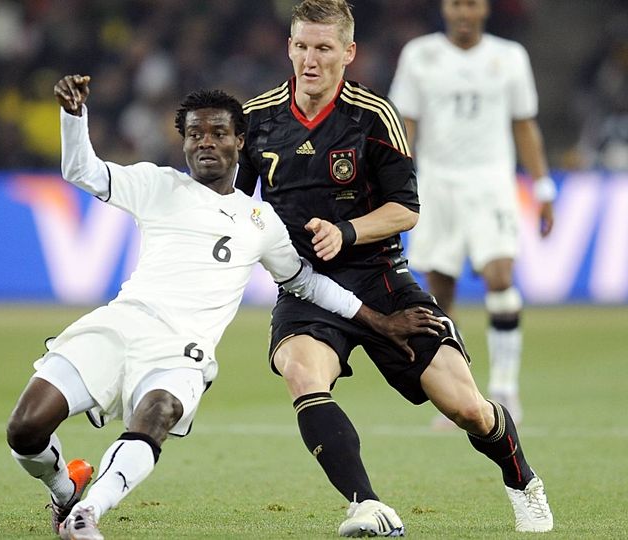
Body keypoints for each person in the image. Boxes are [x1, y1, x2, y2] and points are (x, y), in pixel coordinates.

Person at [6, 74, 445, 540]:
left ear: (240, 141)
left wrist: (378, 320)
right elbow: (82, 172)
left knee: (157, 412)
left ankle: (87, 513)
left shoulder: (259, 221)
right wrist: (74, 116)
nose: (206, 142)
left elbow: (306, 283)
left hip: (181, 351)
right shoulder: (156, 185)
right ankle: (65, 489)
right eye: (195, 133)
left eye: (218, 133)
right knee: (25, 429)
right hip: (119, 325)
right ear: (183, 142)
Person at [235, 0, 552, 535]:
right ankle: (366, 505)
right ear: (289, 47)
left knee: (468, 409)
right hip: (308, 289)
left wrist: (347, 231)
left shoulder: (374, 116)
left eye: (323, 48)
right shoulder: (257, 118)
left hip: (380, 280)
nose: (310, 60)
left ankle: (523, 481)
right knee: (302, 373)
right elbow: (233, 206)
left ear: (348, 52)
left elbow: (406, 208)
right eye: (301, 46)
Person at [388, 0, 557, 427]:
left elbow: (524, 124)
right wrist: (395, 181)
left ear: (484, 9)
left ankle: (504, 387)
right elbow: (405, 125)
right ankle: (458, 394)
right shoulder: (419, 55)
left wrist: (542, 186)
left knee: (500, 276)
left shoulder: (510, 57)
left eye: (471, 4)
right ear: (445, 9)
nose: (463, 13)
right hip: (436, 184)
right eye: (456, 4)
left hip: (491, 183)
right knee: (440, 292)